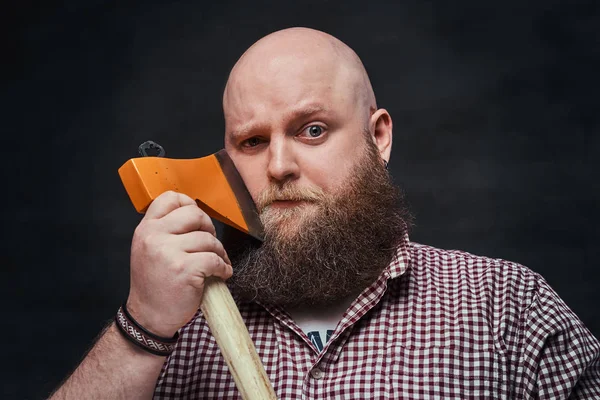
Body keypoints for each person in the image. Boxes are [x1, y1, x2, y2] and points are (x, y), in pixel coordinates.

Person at [50, 27, 600, 399]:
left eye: (311, 130)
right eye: (251, 141)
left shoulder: (508, 310)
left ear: (377, 137)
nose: (279, 165)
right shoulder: (168, 334)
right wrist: (141, 327)